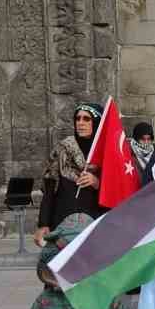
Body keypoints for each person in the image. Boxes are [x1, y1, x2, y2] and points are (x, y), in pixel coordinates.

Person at [35, 104, 108, 247]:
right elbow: (49, 190)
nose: (80, 123)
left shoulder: (107, 152)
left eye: (86, 119)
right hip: (63, 222)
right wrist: (43, 224)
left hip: (96, 223)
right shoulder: (63, 149)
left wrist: (97, 182)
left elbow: (116, 191)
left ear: (97, 123)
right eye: (77, 118)